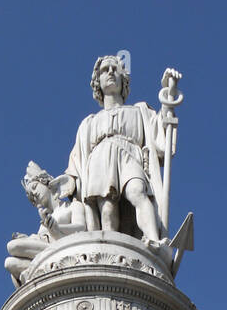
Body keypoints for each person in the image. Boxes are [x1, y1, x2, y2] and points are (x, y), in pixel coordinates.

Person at [49, 56, 168, 244]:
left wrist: (168, 98)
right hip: (99, 159)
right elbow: (77, 161)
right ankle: (110, 248)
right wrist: (69, 180)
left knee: (137, 191)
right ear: (98, 82)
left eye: (115, 69)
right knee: (106, 208)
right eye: (105, 70)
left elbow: (161, 134)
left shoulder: (140, 111)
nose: (111, 72)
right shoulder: (89, 123)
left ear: (123, 80)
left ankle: (154, 240)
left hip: (129, 154)